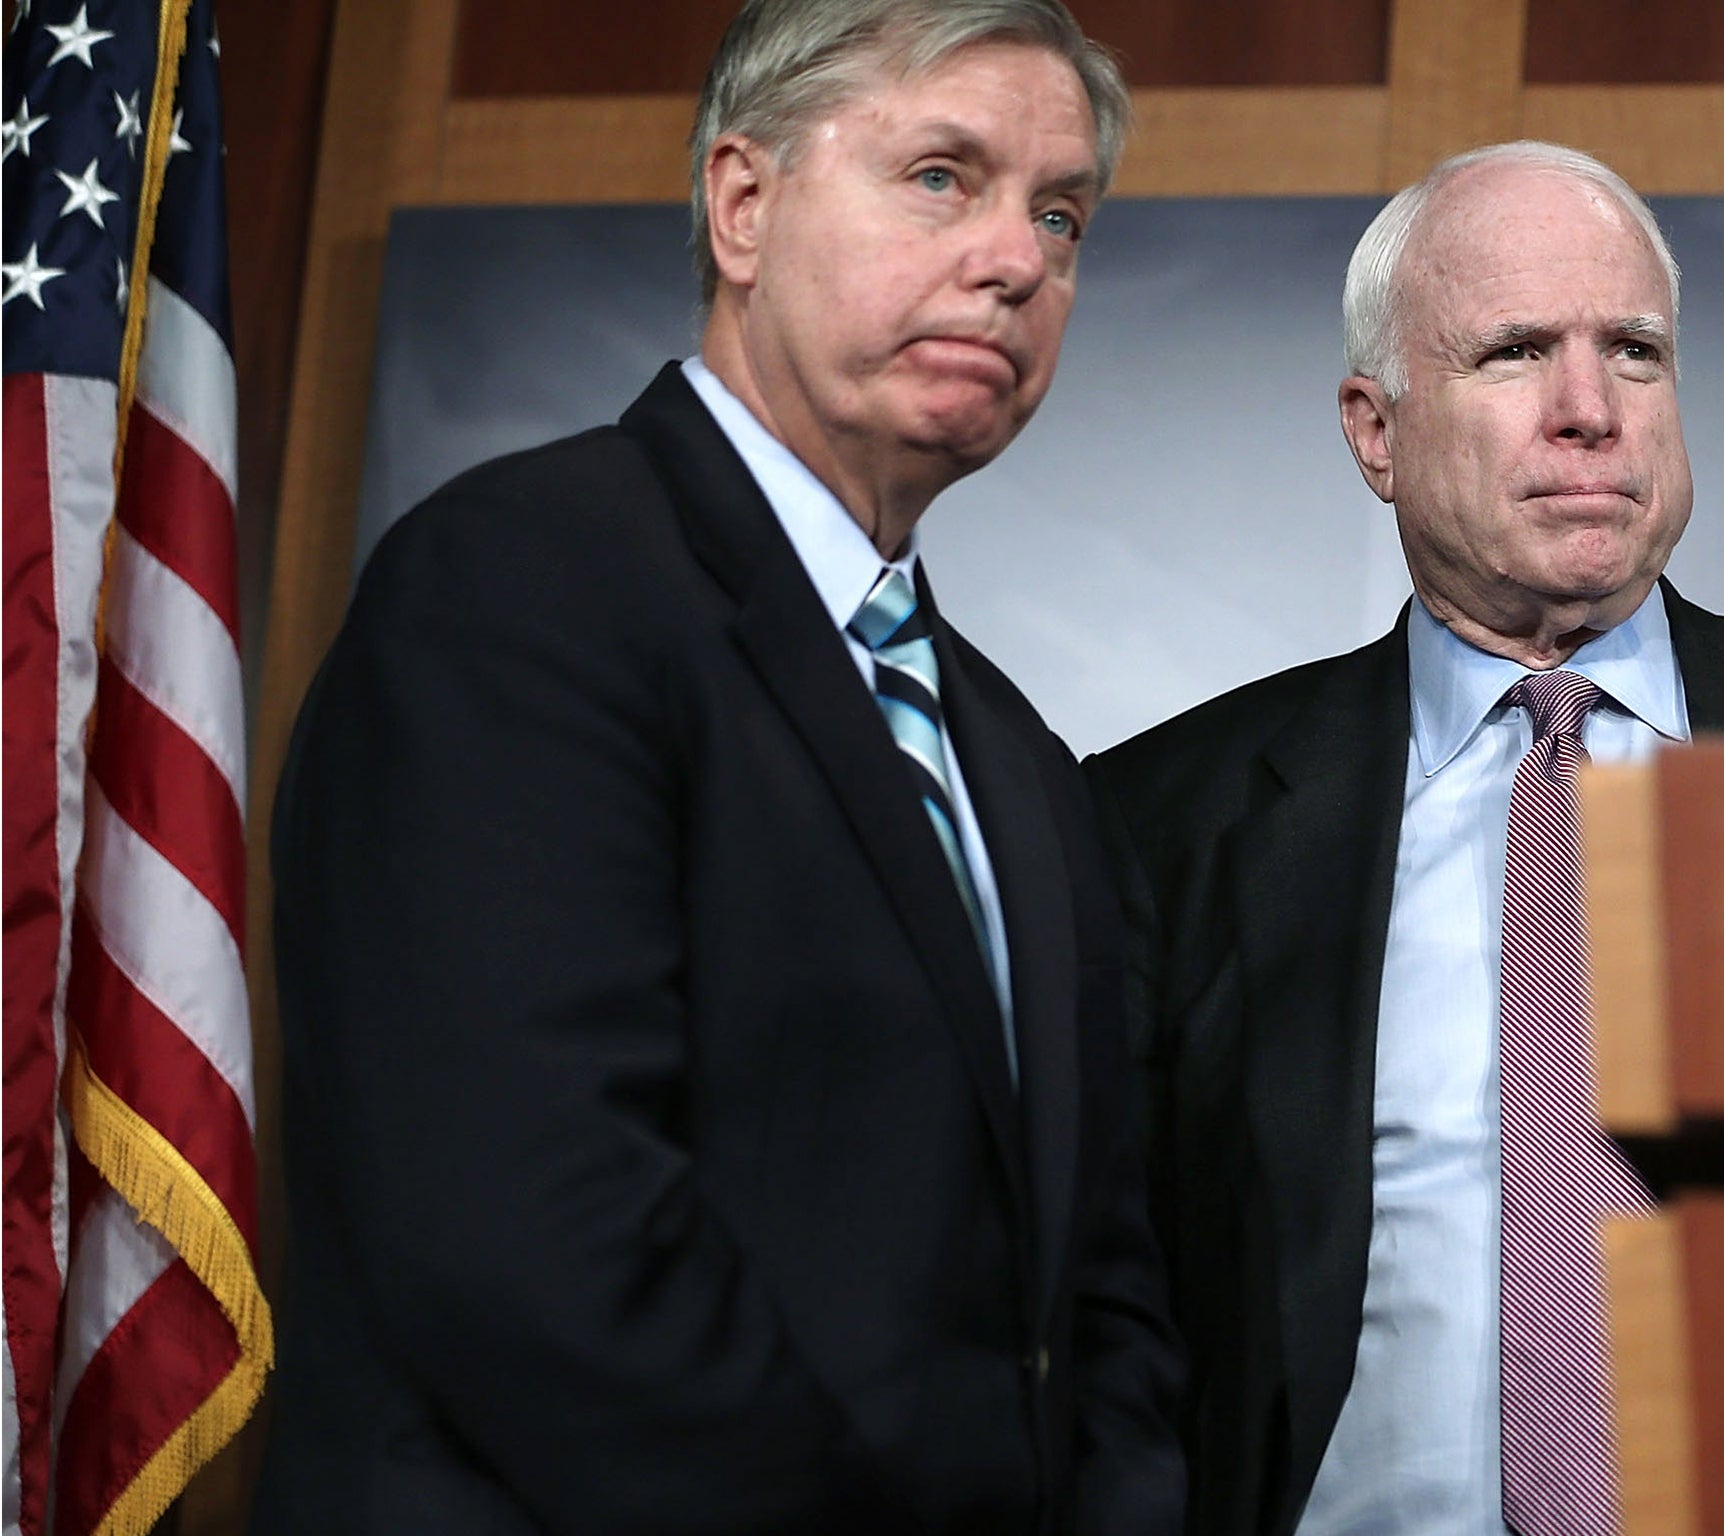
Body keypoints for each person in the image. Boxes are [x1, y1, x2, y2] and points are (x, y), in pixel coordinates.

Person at [254, 2, 1184, 1531]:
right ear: (742, 206)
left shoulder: (1018, 758)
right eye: (943, 176)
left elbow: (1104, 1299)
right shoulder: (515, 588)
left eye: (1062, 213)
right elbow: (532, 1239)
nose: (1019, 259)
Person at [1085, 141, 1724, 1536]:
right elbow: (1102, 1316)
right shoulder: (1165, 820)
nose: (1590, 410)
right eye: (1516, 351)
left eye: (1635, 351)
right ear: (1376, 429)